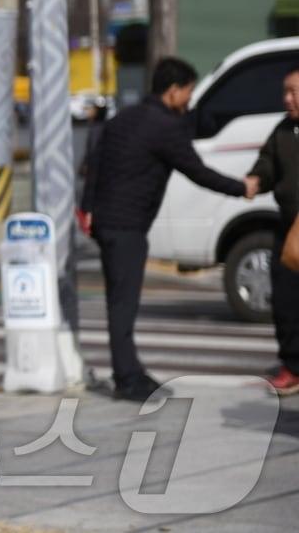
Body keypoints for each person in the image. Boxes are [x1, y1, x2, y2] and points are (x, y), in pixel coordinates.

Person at [81, 57, 251, 402]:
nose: (189, 100)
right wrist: (241, 188)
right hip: (126, 226)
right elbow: (197, 171)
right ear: (173, 91)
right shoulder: (165, 127)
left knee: (121, 301)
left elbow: (92, 164)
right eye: (187, 92)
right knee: (123, 304)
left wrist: (86, 209)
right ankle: (126, 379)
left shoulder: (123, 118)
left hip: (108, 222)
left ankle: (131, 370)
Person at [245, 65, 299, 395]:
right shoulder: (282, 132)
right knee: (285, 300)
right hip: (289, 229)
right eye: (285, 92)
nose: (287, 99)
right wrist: (256, 179)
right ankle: (292, 365)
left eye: (294, 92)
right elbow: (266, 164)